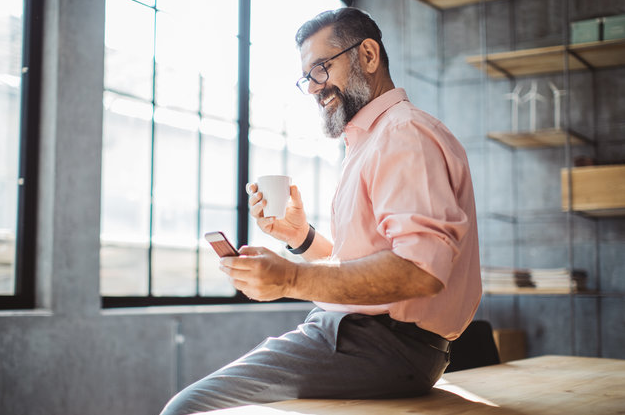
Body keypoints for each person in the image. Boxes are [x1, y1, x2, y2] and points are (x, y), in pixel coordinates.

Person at [160, 7, 481, 414]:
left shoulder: (402, 134)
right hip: (373, 341)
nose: (312, 87)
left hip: (379, 344)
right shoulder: (374, 140)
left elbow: (420, 271)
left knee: (188, 408)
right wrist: (302, 238)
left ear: (368, 55)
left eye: (321, 69)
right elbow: (368, 267)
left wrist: (291, 279)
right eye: (306, 77)